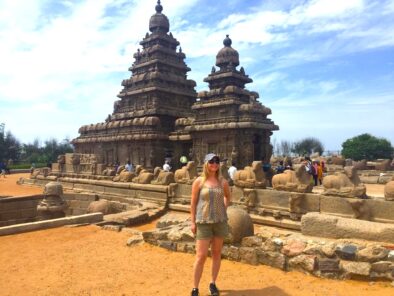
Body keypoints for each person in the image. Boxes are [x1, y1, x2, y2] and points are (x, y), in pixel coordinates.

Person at [190, 153, 231, 296]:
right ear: (206, 163)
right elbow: (193, 203)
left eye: (217, 161)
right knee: (201, 256)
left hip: (219, 222)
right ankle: (195, 287)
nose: (214, 164)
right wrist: (192, 221)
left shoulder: (223, 182)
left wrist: (223, 209)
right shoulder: (199, 182)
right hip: (203, 222)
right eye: (211, 161)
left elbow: (228, 197)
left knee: (216, 253)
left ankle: (212, 283)